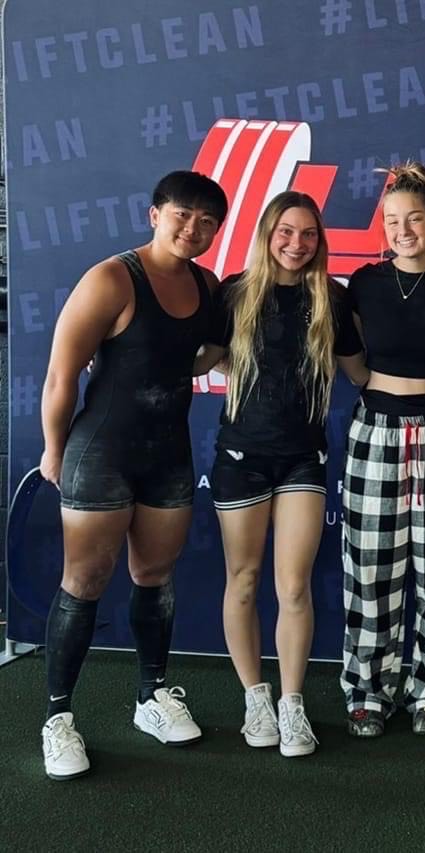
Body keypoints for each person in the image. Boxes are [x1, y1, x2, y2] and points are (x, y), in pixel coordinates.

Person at [38, 171, 228, 779]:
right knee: (85, 580)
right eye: (182, 215)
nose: (192, 228)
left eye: (206, 221)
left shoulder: (207, 283)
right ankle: (58, 718)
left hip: (167, 453)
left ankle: (151, 697)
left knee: (154, 575)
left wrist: (216, 352)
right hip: (102, 450)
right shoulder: (112, 278)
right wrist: (53, 449)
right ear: (155, 214)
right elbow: (60, 376)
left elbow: (198, 354)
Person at [193, 191, 367, 757]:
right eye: (286, 232)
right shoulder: (235, 292)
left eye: (309, 234)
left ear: (320, 241)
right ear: (268, 234)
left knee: (293, 585)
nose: (297, 244)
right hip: (241, 456)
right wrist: (123, 353)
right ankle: (255, 698)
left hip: (303, 458)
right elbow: (201, 358)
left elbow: (362, 373)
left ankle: (292, 704)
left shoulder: (332, 300)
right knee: (242, 579)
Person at [340, 162, 425, 737]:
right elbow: (352, 362)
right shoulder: (364, 284)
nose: (403, 230)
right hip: (376, 430)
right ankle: (369, 690)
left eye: (414, 218)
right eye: (392, 220)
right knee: (370, 568)